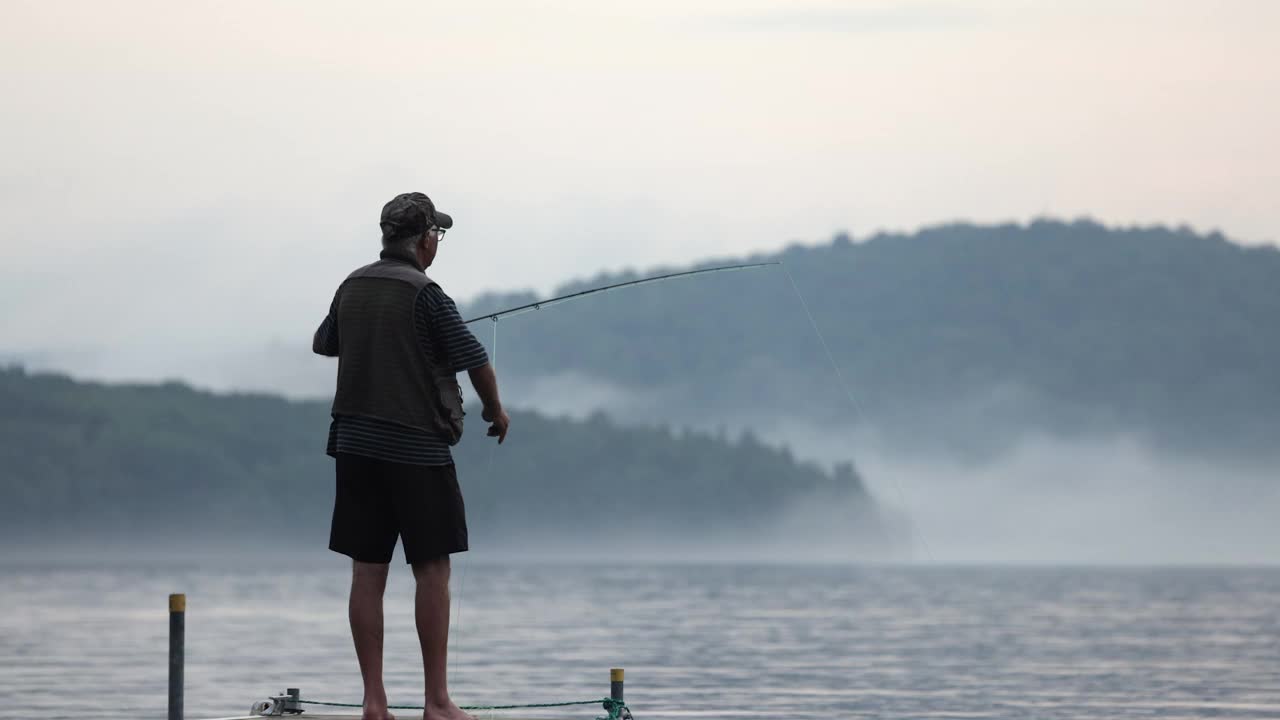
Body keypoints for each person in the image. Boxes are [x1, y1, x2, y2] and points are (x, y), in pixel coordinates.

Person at [313, 191, 510, 720]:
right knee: (432, 570)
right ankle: (436, 701)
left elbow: (325, 343)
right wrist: (496, 412)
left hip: (354, 446)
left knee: (367, 572)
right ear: (424, 239)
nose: (436, 244)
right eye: (437, 235)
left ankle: (374, 702)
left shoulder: (351, 285)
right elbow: (476, 361)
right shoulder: (428, 294)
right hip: (416, 449)